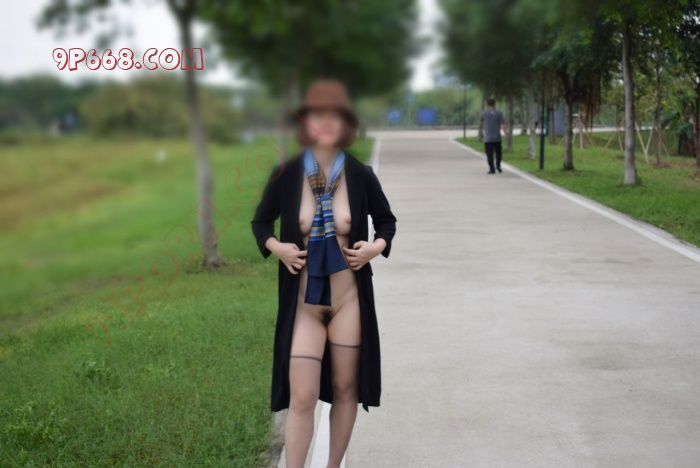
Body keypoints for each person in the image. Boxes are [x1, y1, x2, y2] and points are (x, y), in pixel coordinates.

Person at [251, 79, 397, 468]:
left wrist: (375, 248)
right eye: (318, 115)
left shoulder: (361, 175)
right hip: (304, 305)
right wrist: (277, 247)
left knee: (346, 389)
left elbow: (386, 222)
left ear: (347, 123)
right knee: (302, 396)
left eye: (336, 115)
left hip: (349, 301)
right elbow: (261, 223)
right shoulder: (286, 175)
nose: (327, 122)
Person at [480, 97, 506, 173]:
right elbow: (503, 124)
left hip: (488, 138)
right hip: (497, 137)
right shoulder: (499, 113)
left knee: (489, 154)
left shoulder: (484, 114)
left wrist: (482, 133)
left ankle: (492, 169)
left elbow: (482, 124)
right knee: (498, 153)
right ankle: (498, 165)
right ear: (495, 104)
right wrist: (505, 133)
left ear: (487, 105)